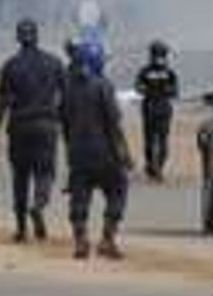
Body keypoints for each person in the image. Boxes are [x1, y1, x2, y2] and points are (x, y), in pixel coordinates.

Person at [0, 19, 66, 243]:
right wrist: (63, 122)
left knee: (20, 178)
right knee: (45, 173)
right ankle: (38, 205)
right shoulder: (54, 62)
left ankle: (21, 229)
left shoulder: (10, 66)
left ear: (18, 38)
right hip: (46, 125)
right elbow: (67, 96)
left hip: (19, 127)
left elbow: (2, 103)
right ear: (37, 36)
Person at [60, 39, 132, 261]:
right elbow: (114, 123)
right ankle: (107, 239)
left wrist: (70, 151)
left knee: (79, 196)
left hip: (78, 153)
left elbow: (64, 122)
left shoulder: (68, 88)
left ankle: (81, 240)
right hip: (105, 153)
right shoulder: (103, 85)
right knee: (118, 189)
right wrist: (124, 153)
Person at [135, 40, 179, 182]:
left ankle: (157, 167)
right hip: (151, 107)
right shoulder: (147, 71)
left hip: (161, 108)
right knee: (151, 140)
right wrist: (146, 90)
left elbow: (175, 90)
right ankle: (151, 166)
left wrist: (167, 91)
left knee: (161, 140)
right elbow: (137, 87)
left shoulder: (169, 72)